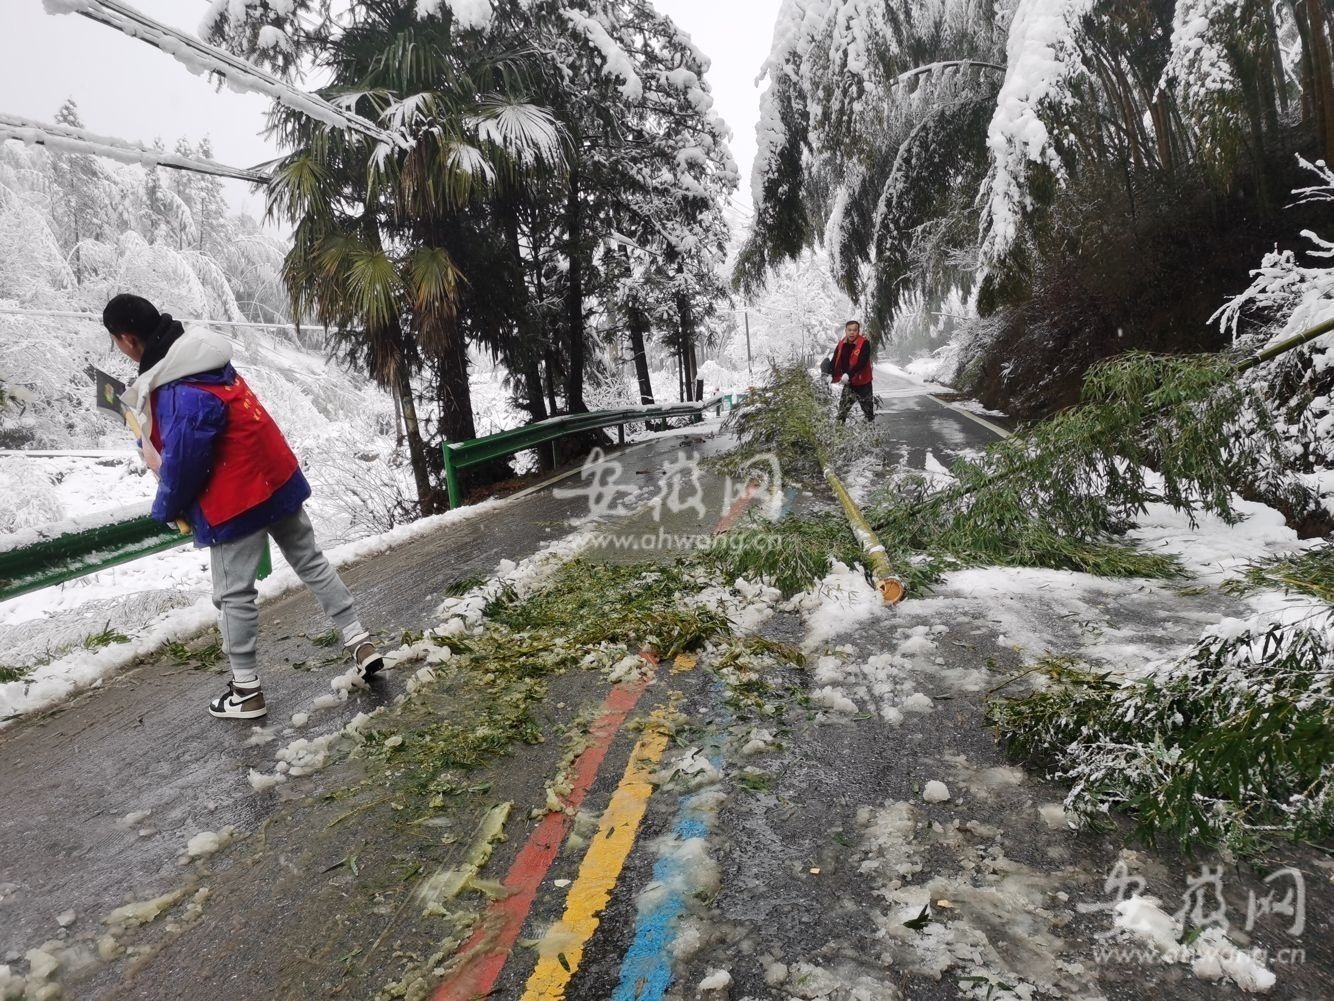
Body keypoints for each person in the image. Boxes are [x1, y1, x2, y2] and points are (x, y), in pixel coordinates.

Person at [103, 294, 383, 720]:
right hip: (275, 476)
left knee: (234, 595)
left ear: (126, 340)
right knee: (311, 561)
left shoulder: (179, 388)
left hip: (235, 498)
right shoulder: (200, 356)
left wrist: (166, 506)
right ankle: (359, 640)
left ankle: (246, 691)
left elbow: (186, 461)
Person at [830, 319, 875, 423]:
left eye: (854, 330)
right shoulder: (841, 344)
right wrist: (830, 374)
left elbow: (862, 362)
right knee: (842, 413)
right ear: (845, 331)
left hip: (864, 384)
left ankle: (871, 434)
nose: (852, 332)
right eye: (849, 330)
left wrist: (848, 374)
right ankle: (839, 434)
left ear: (858, 331)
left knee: (868, 414)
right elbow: (834, 359)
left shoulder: (864, 343)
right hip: (850, 385)